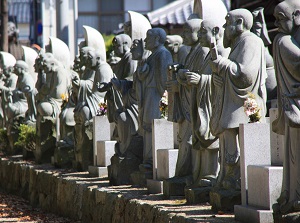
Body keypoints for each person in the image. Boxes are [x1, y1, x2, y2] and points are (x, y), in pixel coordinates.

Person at [210, 8, 267, 191]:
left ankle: (235, 182)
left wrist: (223, 64)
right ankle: (229, 178)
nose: (225, 27)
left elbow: (245, 74)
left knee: (236, 147)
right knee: (228, 142)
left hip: (243, 104)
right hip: (233, 103)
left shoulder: (250, 41)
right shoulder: (238, 43)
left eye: (228, 23)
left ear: (240, 23)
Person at [272, 0, 300, 214]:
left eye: (282, 18)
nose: (277, 23)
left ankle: (292, 196)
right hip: (294, 107)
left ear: (297, 16)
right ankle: (293, 197)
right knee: (294, 157)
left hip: (293, 106)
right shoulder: (283, 41)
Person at [138, 28, 173, 169]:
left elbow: (164, 79)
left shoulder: (163, 54)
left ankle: (153, 160)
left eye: (148, 38)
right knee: (148, 125)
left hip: (156, 95)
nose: (145, 41)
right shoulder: (152, 56)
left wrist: (164, 98)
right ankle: (148, 158)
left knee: (154, 124)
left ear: (157, 39)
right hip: (149, 93)